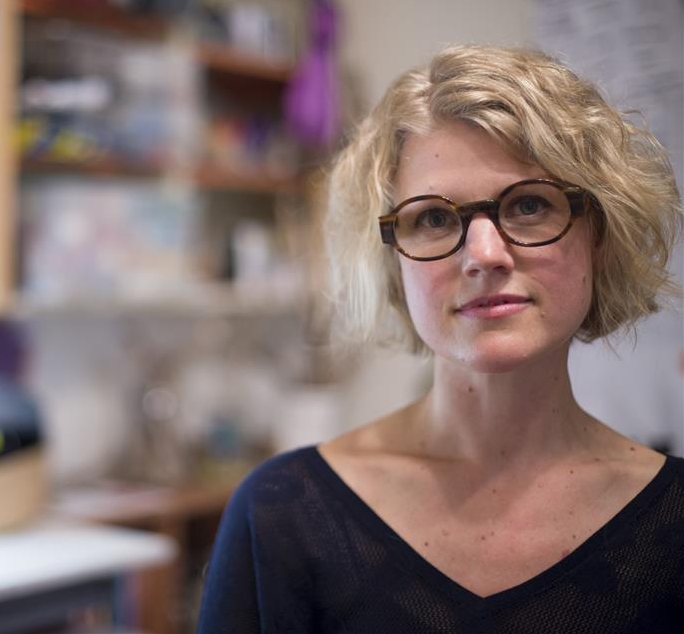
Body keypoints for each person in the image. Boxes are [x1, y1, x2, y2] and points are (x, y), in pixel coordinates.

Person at [196, 45, 683, 633]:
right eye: (433, 218)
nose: (483, 254)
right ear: (391, 264)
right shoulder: (282, 516)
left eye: (529, 204)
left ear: (598, 236)